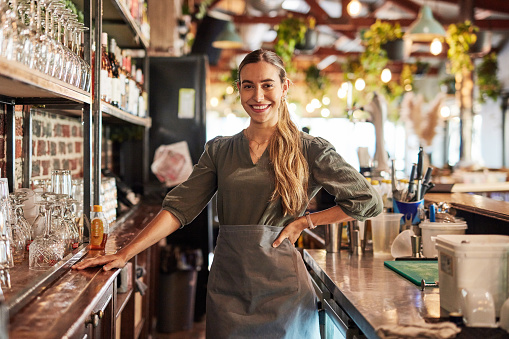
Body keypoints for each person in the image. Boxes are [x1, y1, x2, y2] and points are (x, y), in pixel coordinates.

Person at [73, 49, 383, 338]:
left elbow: (367, 200)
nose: (257, 96)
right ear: (239, 90)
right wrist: (124, 254)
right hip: (227, 286)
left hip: (283, 290)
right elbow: (178, 208)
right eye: (248, 86)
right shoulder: (220, 149)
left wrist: (305, 222)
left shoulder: (310, 148)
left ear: (284, 88)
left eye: (267, 85)